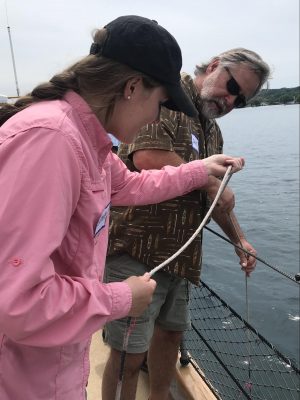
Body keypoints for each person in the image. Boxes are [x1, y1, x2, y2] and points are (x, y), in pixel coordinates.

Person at [0, 15, 245, 400]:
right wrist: (121, 297)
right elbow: (17, 301)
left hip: (53, 364)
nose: (155, 117)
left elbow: (128, 184)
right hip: (24, 378)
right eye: (160, 103)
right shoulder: (53, 141)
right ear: (132, 87)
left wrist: (199, 170)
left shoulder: (86, 140)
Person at [102, 48, 271, 400]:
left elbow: (217, 199)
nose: (230, 100)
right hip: (136, 252)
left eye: (239, 100)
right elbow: (146, 156)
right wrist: (210, 182)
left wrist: (241, 241)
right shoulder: (165, 96)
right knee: (128, 356)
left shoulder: (212, 130)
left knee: (169, 337)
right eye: (232, 86)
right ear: (213, 67)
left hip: (182, 260)